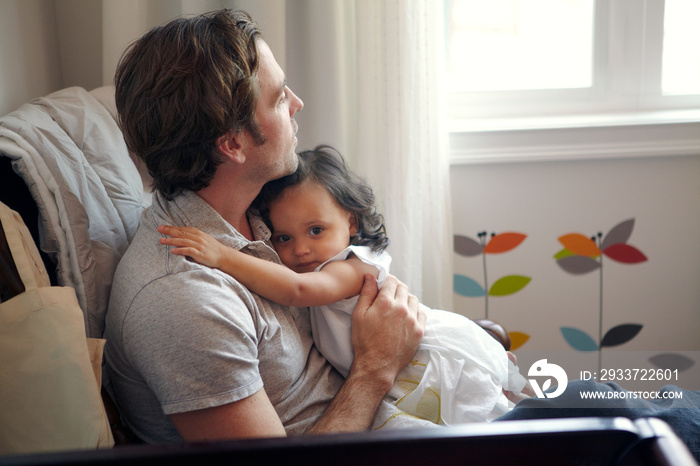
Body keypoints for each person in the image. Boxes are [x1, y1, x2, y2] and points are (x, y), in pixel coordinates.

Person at [104, 10, 425, 445]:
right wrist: (377, 368)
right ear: (233, 143)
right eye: (277, 99)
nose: (297, 103)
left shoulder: (265, 207)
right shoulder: (184, 302)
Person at [158, 145, 531, 428]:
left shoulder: (352, 265)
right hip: (396, 372)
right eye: (284, 237)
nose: (300, 249)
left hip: (430, 357)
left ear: (351, 223)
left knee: (493, 424)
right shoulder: (313, 266)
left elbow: (297, 291)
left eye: (316, 230)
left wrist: (222, 255)